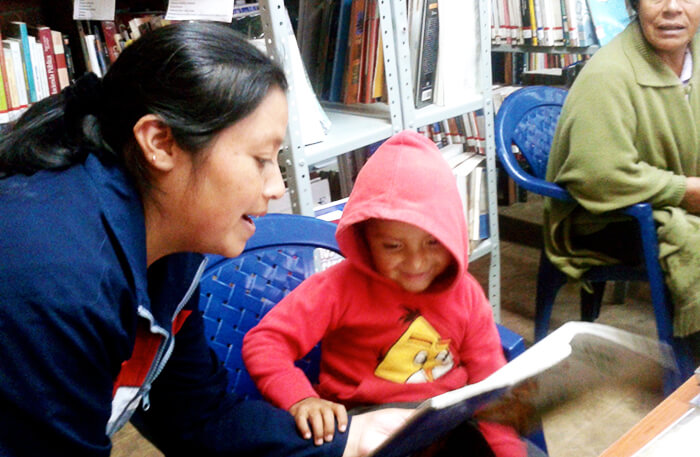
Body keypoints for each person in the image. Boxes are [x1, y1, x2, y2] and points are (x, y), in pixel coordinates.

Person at [0, 22, 412, 457]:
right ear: (160, 143)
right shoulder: (55, 282)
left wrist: (355, 440)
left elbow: (198, 414)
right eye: (260, 159)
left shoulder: (172, 245)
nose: (276, 187)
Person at [242, 130, 526, 457]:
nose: (416, 262)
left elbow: (490, 385)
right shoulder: (337, 288)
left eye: (434, 241)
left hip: (446, 420)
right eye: (393, 246)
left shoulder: (467, 294)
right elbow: (266, 341)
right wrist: (301, 398)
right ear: (365, 239)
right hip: (365, 427)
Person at [543, 0, 700, 358]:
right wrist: (684, 191)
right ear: (634, 4)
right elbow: (597, 174)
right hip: (607, 217)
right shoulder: (608, 73)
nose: (673, 8)